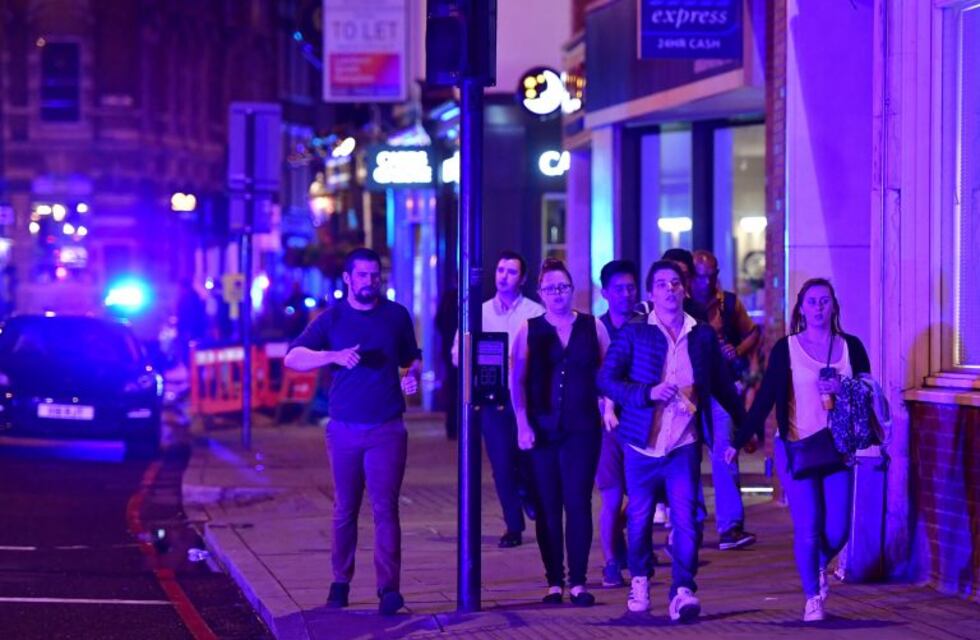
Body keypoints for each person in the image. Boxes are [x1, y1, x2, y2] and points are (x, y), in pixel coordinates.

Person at [598, 260, 745, 622]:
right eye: (662, 284)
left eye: (675, 283)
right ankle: (640, 581)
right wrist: (646, 393)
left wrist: (745, 428)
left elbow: (722, 385)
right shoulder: (635, 331)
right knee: (639, 518)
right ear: (651, 293)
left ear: (685, 289)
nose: (669, 290)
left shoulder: (702, 335)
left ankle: (683, 590)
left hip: (683, 442)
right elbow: (606, 379)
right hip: (641, 445)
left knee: (686, 519)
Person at [284, 248, 421, 616]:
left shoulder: (396, 315)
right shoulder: (332, 319)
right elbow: (293, 357)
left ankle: (388, 589)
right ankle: (340, 582)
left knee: (385, 508)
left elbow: (411, 357)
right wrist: (333, 356)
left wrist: (411, 376)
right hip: (344, 428)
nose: (370, 281)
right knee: (345, 507)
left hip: (387, 428)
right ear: (347, 278)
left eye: (375, 275)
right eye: (362, 275)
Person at [726, 278, 870, 623]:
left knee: (838, 529)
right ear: (801, 309)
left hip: (838, 448)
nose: (818, 307)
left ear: (834, 306)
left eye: (824, 301)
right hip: (796, 446)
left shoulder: (851, 346)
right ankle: (812, 598)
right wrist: (738, 440)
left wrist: (843, 386)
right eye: (811, 301)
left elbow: (869, 393)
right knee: (808, 525)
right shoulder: (786, 348)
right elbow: (765, 398)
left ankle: (817, 563)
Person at [511, 258, 611, 607]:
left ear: (572, 290)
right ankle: (554, 581)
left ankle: (579, 581)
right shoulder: (529, 329)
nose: (557, 294)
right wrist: (522, 423)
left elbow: (607, 373)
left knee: (578, 501)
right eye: (550, 288)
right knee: (548, 505)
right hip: (542, 429)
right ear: (540, 292)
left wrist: (608, 407)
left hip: (583, 429)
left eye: (563, 287)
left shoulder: (592, 326)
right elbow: (516, 380)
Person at [452, 250, 543, 548]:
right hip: (493, 398)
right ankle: (513, 525)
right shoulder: (478, 313)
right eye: (501, 270)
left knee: (529, 457)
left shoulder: (534, 312)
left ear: (523, 278)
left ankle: (528, 491)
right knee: (501, 464)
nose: (504, 276)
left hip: (527, 397)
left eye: (511, 272)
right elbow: (457, 355)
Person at [690, 250, 760, 550]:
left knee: (725, 451)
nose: (707, 282)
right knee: (687, 456)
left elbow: (753, 333)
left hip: (720, 386)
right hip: (688, 388)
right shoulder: (680, 302)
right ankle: (689, 526)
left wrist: (738, 350)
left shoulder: (728, 303)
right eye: (701, 276)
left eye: (712, 275)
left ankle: (730, 526)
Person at [595, 259, 640, 588]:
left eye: (631, 288)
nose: (626, 294)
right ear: (605, 293)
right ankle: (610, 562)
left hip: (642, 420)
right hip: (607, 425)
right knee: (611, 495)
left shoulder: (648, 326)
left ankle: (630, 548)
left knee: (642, 495)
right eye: (619, 289)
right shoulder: (595, 330)